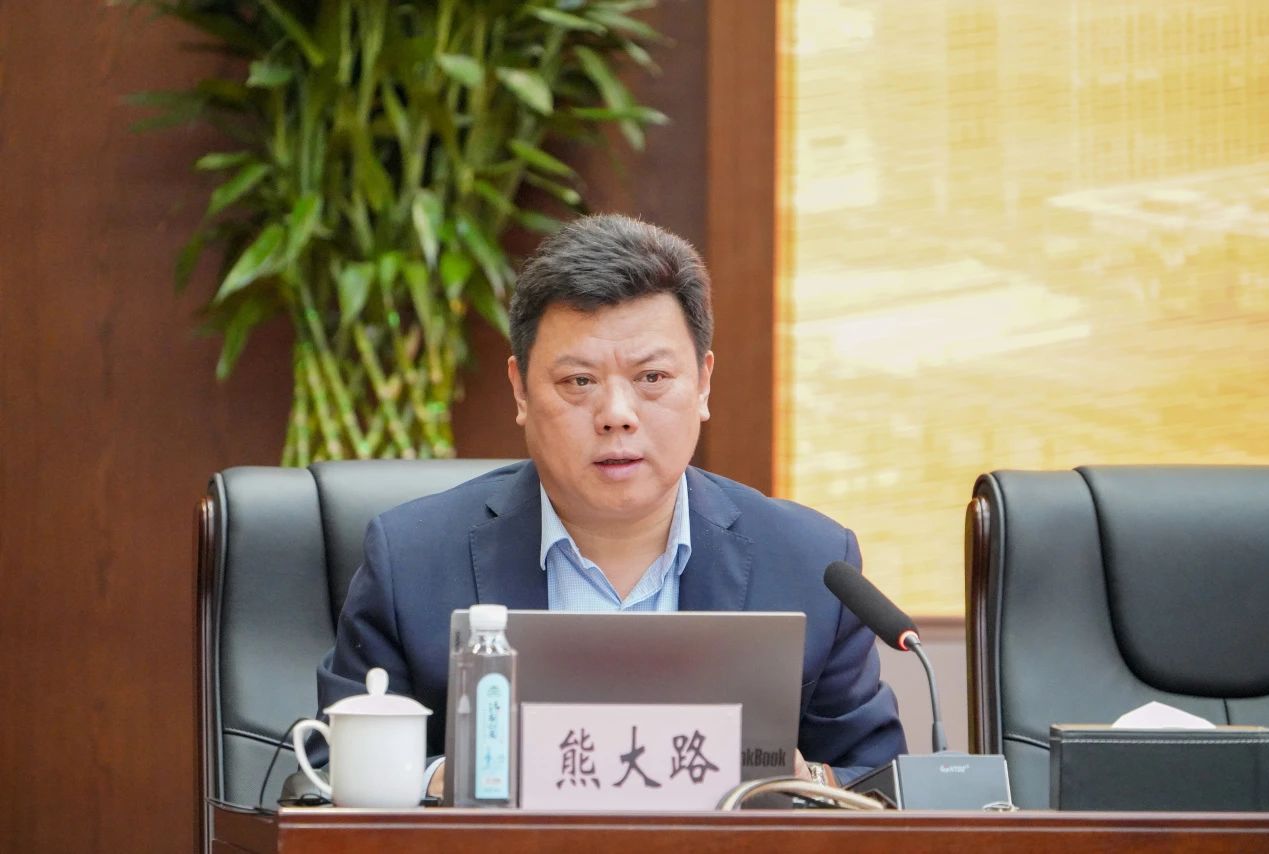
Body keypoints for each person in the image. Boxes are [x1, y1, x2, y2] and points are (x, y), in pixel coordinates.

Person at [315, 214, 906, 792]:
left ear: (703, 383)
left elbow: (882, 783)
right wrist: (440, 781)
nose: (617, 414)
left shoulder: (811, 565)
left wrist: (807, 783)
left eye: (652, 378)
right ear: (520, 390)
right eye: (579, 381)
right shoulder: (413, 559)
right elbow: (323, 774)